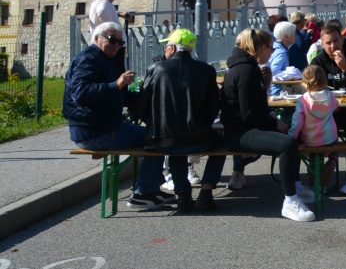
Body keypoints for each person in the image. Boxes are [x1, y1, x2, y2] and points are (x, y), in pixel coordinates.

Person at [63, 21, 169, 209]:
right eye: (112, 40)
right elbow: (81, 93)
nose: (116, 46)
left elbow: (118, 95)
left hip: (104, 126)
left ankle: (150, 188)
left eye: (120, 43)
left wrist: (148, 97)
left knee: (158, 135)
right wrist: (117, 83)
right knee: (159, 139)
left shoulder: (105, 59)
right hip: (93, 132)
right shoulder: (88, 59)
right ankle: (143, 193)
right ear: (96, 38)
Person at [219, 28, 315, 221]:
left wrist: (273, 119)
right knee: (287, 144)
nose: (272, 52)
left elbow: (255, 109)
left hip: (247, 127)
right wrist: (274, 122)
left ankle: (295, 186)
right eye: (271, 49)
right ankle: (290, 201)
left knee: (292, 136)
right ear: (262, 48)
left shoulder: (249, 67)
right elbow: (248, 114)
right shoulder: (245, 70)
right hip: (241, 132)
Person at [137, 28, 226, 212]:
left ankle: (183, 195)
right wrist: (203, 124)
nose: (165, 51)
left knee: (176, 148)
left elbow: (142, 104)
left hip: (162, 137)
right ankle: (206, 192)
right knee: (223, 146)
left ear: (173, 48)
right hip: (198, 136)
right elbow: (213, 105)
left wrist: (153, 122)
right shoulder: (206, 70)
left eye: (167, 47)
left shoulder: (156, 69)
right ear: (190, 49)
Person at [308, 23, 346, 195]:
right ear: (321, 43)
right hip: (329, 109)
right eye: (328, 43)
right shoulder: (318, 61)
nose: (333, 46)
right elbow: (311, 90)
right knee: (309, 120)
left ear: (342, 40)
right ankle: (315, 173)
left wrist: (345, 68)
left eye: (336, 41)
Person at [288, 65, 339, 149]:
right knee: (335, 141)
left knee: (313, 153)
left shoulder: (302, 100)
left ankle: (312, 162)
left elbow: (297, 121)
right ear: (324, 80)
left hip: (309, 140)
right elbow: (336, 106)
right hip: (329, 138)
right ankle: (332, 159)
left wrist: (291, 136)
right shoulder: (330, 96)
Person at [269, 21, 298, 96]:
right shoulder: (281, 52)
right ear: (286, 37)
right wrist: (291, 74)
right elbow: (274, 71)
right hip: (277, 92)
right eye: (293, 34)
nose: (295, 36)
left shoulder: (275, 48)